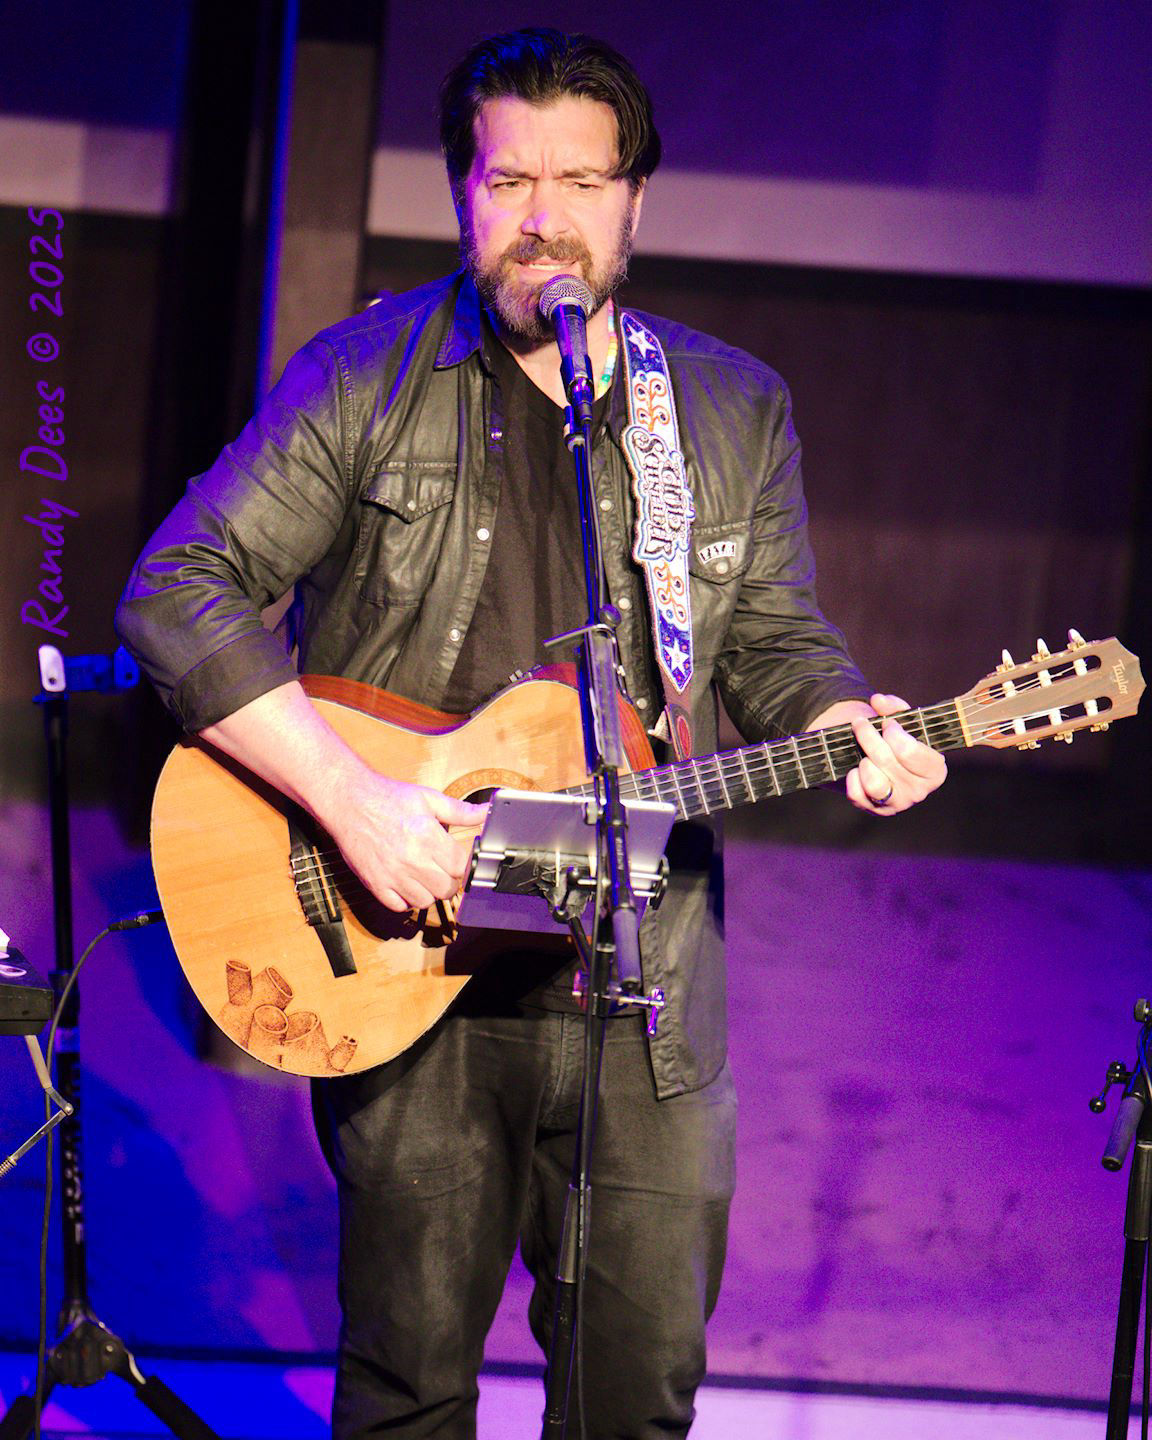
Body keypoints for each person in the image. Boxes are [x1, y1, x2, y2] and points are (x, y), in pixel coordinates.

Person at [116, 27, 946, 1439]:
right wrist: (358, 803)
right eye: (508, 183)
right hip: (410, 965)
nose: (542, 222)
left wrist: (842, 713)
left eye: (579, 182)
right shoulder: (365, 378)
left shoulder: (732, 411)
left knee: (633, 1398)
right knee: (406, 1393)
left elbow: (773, 639)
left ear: (638, 202)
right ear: (461, 192)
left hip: (644, 987)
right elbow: (176, 590)